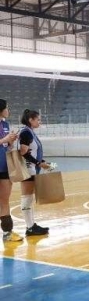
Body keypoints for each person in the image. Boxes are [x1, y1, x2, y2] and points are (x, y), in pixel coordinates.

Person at [17, 109, 51, 237]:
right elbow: (23, 152)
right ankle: (30, 227)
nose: (40, 122)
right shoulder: (26, 132)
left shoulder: (29, 132)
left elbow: (31, 152)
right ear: (30, 120)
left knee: (29, 197)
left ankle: (31, 225)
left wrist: (42, 161)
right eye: (38, 119)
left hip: (32, 167)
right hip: (28, 168)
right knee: (27, 197)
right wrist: (38, 163)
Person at [0, 99, 22, 242]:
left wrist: (11, 142)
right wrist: (3, 139)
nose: (9, 110)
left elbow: (6, 148)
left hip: (3, 167)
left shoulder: (5, 125)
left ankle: (7, 233)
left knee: (4, 200)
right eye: (7, 108)